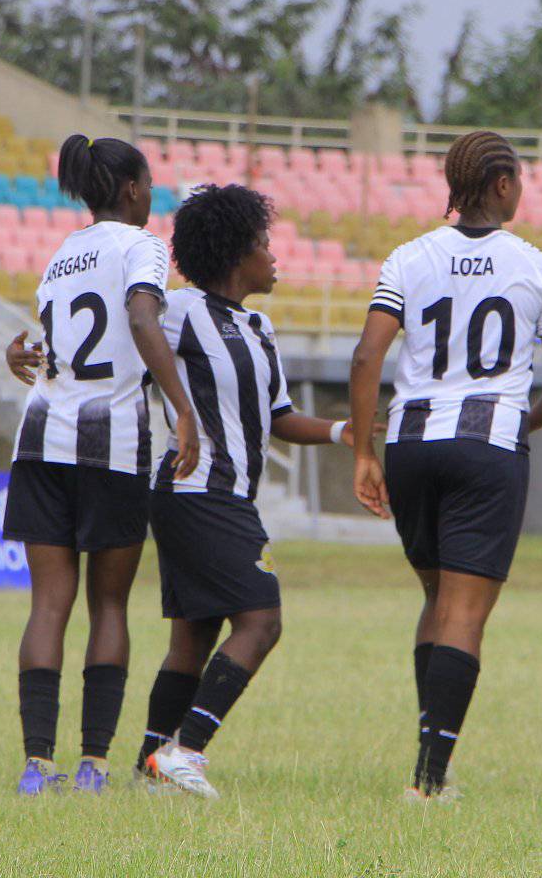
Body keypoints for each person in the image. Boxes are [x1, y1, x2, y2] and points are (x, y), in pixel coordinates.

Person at [348, 130, 542, 801]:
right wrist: (519, 423)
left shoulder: (408, 257)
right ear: (503, 184)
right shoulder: (539, 268)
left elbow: (366, 359)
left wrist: (366, 452)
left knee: (435, 597)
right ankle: (428, 781)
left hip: (412, 444)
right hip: (487, 448)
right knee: (464, 613)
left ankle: (433, 759)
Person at [131, 183, 366, 798]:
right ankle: (188, 751)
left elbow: (280, 419)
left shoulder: (259, 327)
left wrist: (346, 430)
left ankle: (150, 764)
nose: (274, 253)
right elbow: (126, 334)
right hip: (196, 488)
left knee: (195, 634)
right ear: (238, 254)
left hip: (224, 495)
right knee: (261, 620)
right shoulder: (177, 313)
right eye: (264, 242)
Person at [0, 134, 200, 796]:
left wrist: (14, 353)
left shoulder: (61, 254)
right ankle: (93, 765)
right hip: (109, 442)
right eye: (150, 185)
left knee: (48, 603)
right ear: (134, 190)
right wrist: (183, 408)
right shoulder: (142, 246)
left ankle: (35, 767)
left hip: (39, 438)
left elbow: (48, 344)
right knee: (108, 602)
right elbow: (142, 316)